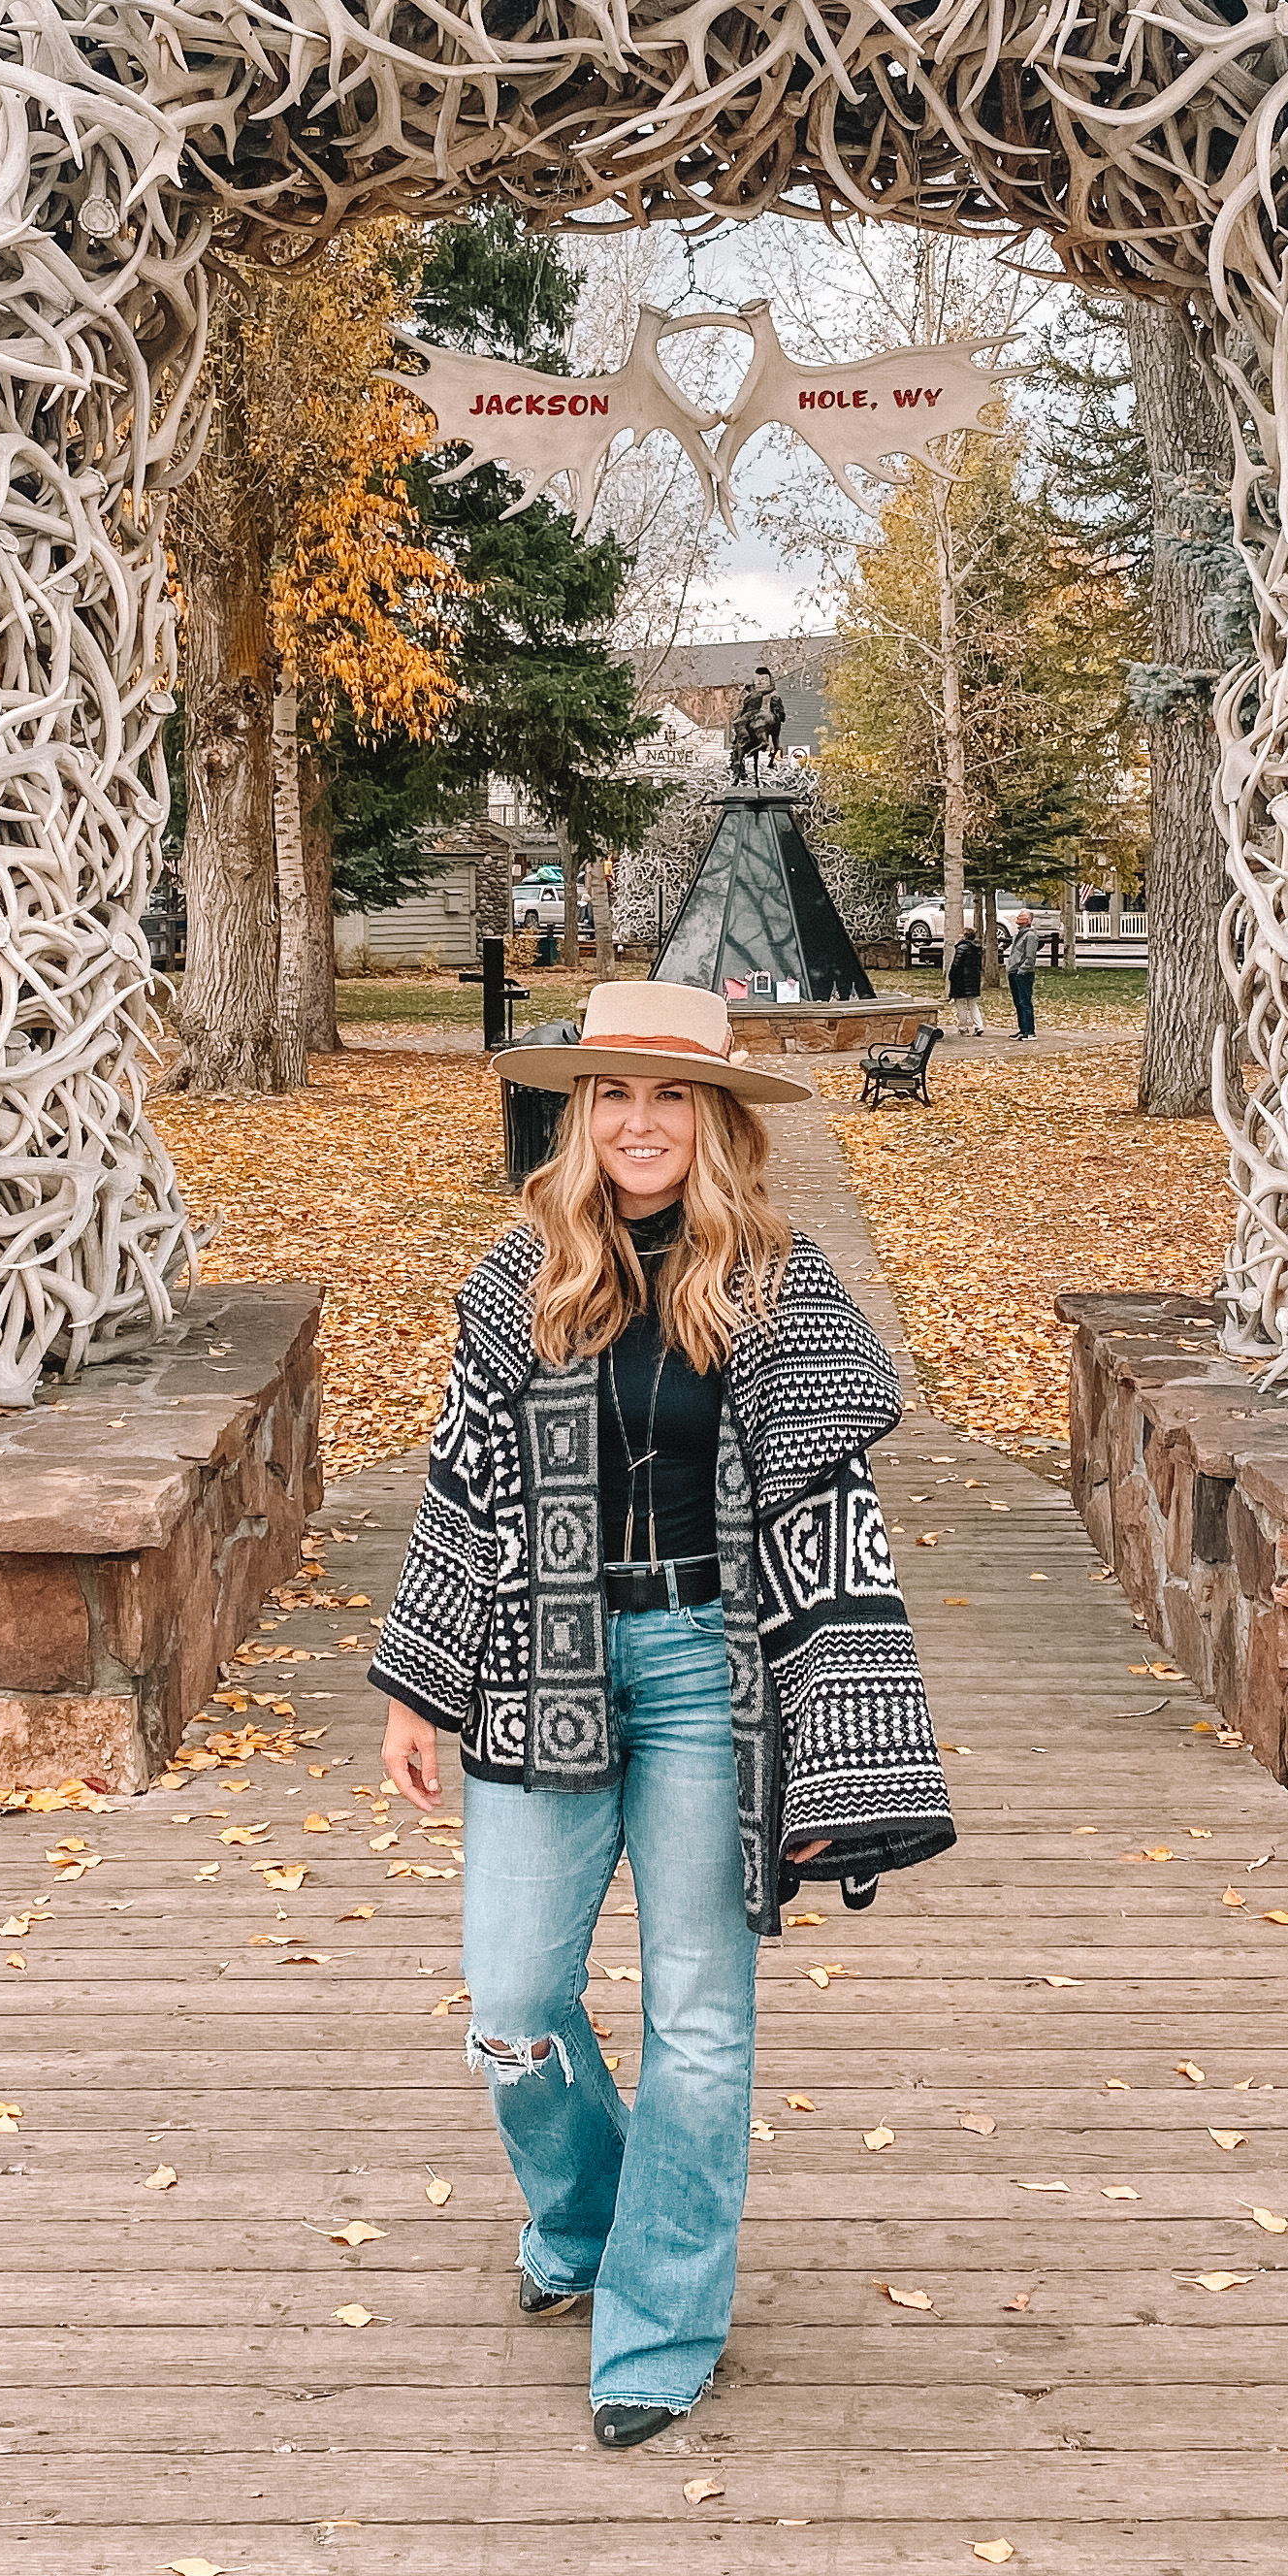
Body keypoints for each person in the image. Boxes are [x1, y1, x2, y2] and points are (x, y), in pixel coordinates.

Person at [371, 980, 954, 2450]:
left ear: (717, 1120)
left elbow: (836, 1524)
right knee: (509, 2004)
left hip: (711, 1671)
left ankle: (660, 2321)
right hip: (537, 1665)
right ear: (580, 1118)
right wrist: (412, 1686)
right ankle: (586, 2218)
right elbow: (460, 1494)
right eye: (615, 1096)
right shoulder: (520, 1282)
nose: (642, 1123)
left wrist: (839, 1751)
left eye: (672, 1095)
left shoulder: (780, 1287)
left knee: (699, 2018)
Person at [1002, 906, 1042, 1038]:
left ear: (1028, 920)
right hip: (1014, 971)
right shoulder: (1018, 935)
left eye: (1021, 917)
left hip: (1023, 973)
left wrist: (1022, 970)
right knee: (1018, 1002)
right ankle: (1022, 1029)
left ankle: (1029, 1031)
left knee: (1025, 1002)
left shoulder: (1030, 936)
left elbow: (1030, 957)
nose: (1018, 919)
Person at [944, 921, 983, 1034]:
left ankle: (963, 1026)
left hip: (961, 980)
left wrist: (951, 976)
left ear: (965, 936)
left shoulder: (961, 948)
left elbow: (956, 964)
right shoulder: (977, 949)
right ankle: (979, 1025)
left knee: (961, 1004)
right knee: (973, 1003)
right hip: (974, 979)